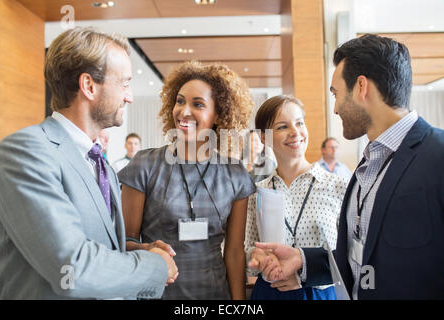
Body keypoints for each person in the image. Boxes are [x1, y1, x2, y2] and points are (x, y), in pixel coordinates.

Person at [249, 34, 444, 300]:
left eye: (336, 94)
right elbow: (358, 256)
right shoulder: (366, 169)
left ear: (361, 87)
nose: (336, 108)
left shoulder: (437, 154)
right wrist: (302, 260)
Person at [0, 27, 178, 300]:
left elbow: (95, 245)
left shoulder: (99, 162)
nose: (130, 96)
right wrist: (155, 266)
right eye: (125, 84)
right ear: (89, 86)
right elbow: (73, 269)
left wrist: (137, 251)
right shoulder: (25, 152)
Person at [118, 61, 256, 300]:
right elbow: (124, 242)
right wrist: (146, 249)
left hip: (215, 294)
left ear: (219, 115)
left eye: (198, 104)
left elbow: (234, 252)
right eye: (180, 101)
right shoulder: (145, 165)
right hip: (156, 293)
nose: (184, 111)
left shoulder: (234, 175)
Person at [245, 95, 347, 300]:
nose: (295, 132)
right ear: (264, 137)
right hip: (271, 292)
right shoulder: (258, 192)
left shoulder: (338, 187)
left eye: (299, 123)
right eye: (283, 127)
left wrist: (304, 273)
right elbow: (250, 248)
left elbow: (349, 256)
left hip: (321, 293)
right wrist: (258, 259)